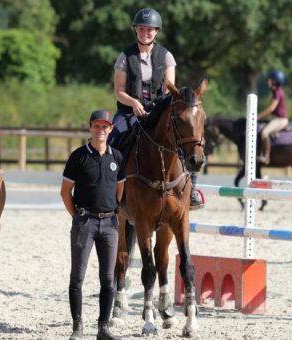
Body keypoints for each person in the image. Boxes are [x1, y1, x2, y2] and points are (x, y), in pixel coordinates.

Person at [109, 7, 203, 209]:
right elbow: (119, 91)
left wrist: (156, 108)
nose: (145, 32)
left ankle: (192, 188)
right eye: (141, 29)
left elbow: (169, 89)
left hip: (158, 111)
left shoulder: (166, 56)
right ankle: (109, 189)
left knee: (187, 137)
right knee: (113, 138)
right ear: (136, 30)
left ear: (157, 32)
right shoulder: (125, 56)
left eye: (150, 29)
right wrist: (134, 103)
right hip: (129, 110)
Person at [60, 110, 124, 340]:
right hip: (85, 222)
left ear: (110, 130)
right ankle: (78, 327)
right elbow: (65, 192)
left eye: (105, 127)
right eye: (97, 126)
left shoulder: (116, 157)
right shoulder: (78, 157)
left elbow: (119, 189)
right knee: (77, 276)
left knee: (108, 278)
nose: (101, 130)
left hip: (109, 224)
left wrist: (109, 210)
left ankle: (103, 327)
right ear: (90, 128)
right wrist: (77, 216)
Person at [257, 70, 287, 164]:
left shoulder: (277, 92)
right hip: (276, 119)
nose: (268, 81)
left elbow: (271, 108)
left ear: (274, 81)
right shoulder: (276, 91)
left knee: (264, 132)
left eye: (270, 80)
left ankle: (266, 157)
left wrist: (259, 116)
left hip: (280, 120)